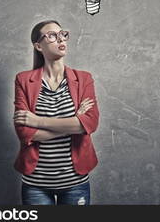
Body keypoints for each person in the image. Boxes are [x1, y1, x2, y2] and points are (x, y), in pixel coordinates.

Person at [12, 19, 99, 205]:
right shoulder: (23, 80)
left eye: (62, 34)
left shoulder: (83, 79)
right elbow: (25, 132)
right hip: (36, 184)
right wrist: (75, 122)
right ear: (38, 46)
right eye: (52, 35)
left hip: (75, 181)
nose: (61, 39)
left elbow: (90, 123)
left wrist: (37, 121)